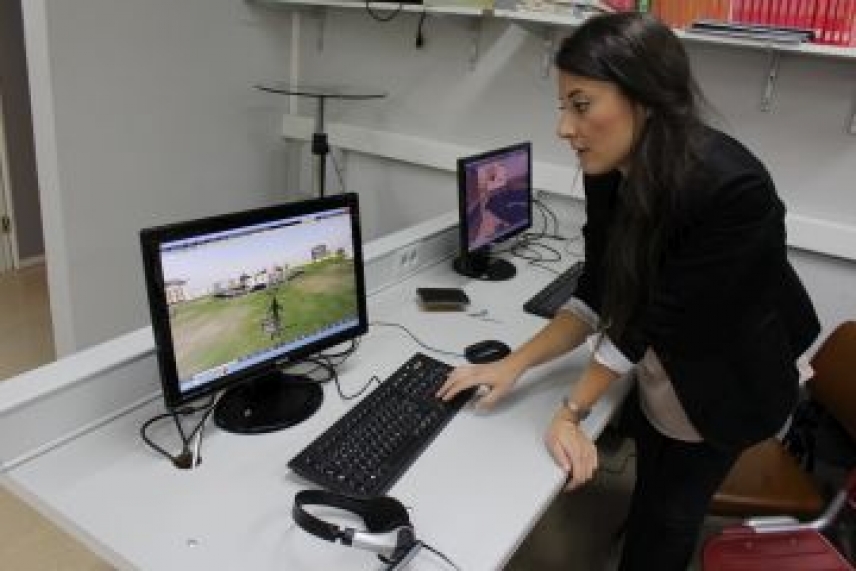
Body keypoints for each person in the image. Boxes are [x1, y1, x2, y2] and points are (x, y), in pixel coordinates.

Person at [437, 12, 820, 571]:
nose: (565, 128)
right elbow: (599, 288)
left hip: (725, 381)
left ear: (646, 98)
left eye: (582, 104)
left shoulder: (732, 187)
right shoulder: (609, 167)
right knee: (650, 489)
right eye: (562, 106)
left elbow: (650, 320)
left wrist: (571, 410)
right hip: (662, 362)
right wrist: (514, 365)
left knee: (669, 519)